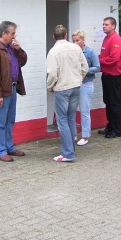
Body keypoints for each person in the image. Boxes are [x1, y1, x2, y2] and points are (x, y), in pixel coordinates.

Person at [0, 21, 28, 162]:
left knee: (10, 121)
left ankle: (9, 147)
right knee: (0, 122)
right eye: (12, 33)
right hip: (2, 92)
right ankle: (0, 150)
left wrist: (18, 49)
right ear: (4, 33)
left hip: (13, 88)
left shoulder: (11, 48)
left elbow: (23, 61)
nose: (14, 36)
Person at [47, 25, 88, 162]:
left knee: (62, 121)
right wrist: (79, 79)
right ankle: (71, 149)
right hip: (76, 86)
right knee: (71, 118)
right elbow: (85, 67)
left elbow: (52, 74)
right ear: (65, 35)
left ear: (54, 36)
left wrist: (50, 86)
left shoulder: (53, 52)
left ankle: (68, 153)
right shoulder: (76, 48)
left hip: (62, 88)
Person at [97, 17, 121, 138]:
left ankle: (116, 130)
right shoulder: (106, 38)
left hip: (114, 75)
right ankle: (110, 126)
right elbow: (104, 55)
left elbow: (113, 58)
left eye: (106, 24)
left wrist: (100, 60)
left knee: (114, 103)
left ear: (113, 26)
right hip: (106, 74)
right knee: (107, 101)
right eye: (103, 24)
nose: (104, 26)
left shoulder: (116, 39)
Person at [71, 30, 100, 146]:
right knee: (71, 111)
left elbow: (97, 67)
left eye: (77, 40)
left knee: (84, 110)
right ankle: (72, 134)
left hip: (86, 83)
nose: (75, 43)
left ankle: (85, 135)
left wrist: (86, 70)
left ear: (83, 40)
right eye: (73, 41)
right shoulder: (72, 52)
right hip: (74, 84)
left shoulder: (90, 52)